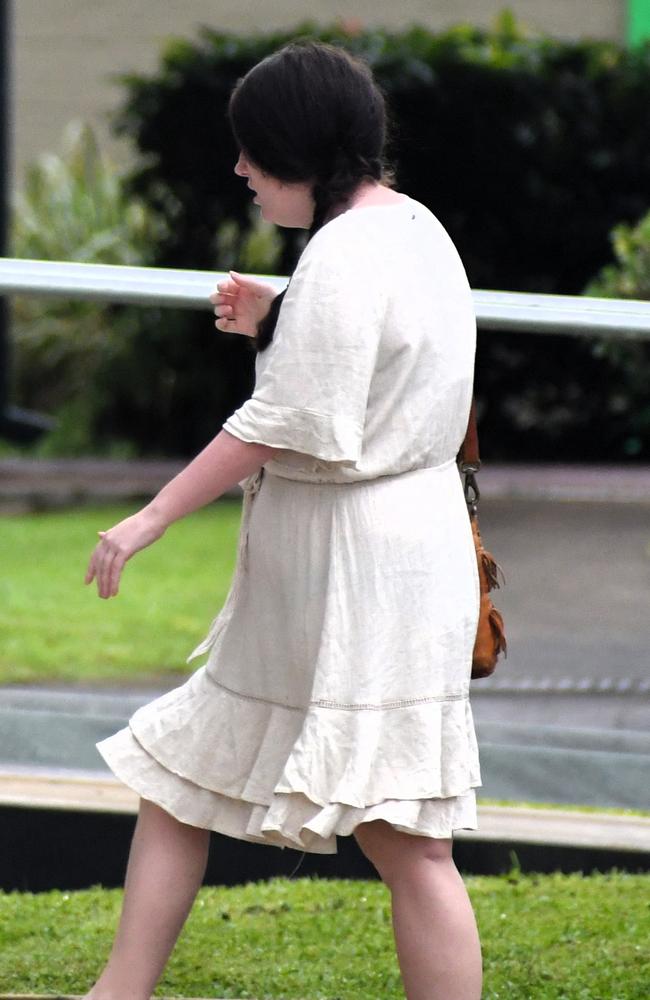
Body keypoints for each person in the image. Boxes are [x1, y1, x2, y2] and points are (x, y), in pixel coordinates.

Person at [83, 40, 483, 1000]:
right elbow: (377, 357)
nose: (241, 171)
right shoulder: (412, 226)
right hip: (378, 558)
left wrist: (148, 519)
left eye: (252, 152)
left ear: (297, 149)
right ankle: (115, 995)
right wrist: (283, 313)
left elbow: (284, 422)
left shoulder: (345, 252)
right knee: (181, 773)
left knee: (405, 839)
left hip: (355, 574)